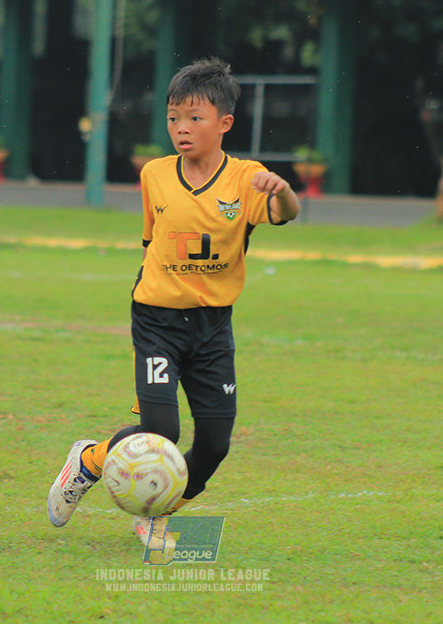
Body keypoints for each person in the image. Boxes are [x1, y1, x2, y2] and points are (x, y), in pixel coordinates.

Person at [47, 57, 300, 549]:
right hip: (158, 320)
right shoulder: (155, 175)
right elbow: (151, 242)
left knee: (214, 445)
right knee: (159, 430)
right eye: (172, 118)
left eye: (194, 118)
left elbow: (283, 214)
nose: (181, 129)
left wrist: (285, 191)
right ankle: (93, 464)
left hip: (212, 327)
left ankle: (164, 507)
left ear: (225, 123)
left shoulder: (248, 179)